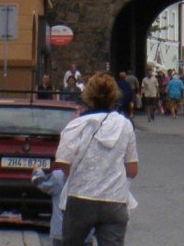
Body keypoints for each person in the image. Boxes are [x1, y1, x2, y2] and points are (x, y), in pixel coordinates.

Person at [53, 70, 139, 246]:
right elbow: (132, 170)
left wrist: (77, 174)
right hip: (115, 200)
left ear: (88, 96)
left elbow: (61, 161)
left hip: (81, 197)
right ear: (114, 96)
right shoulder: (125, 125)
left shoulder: (76, 125)